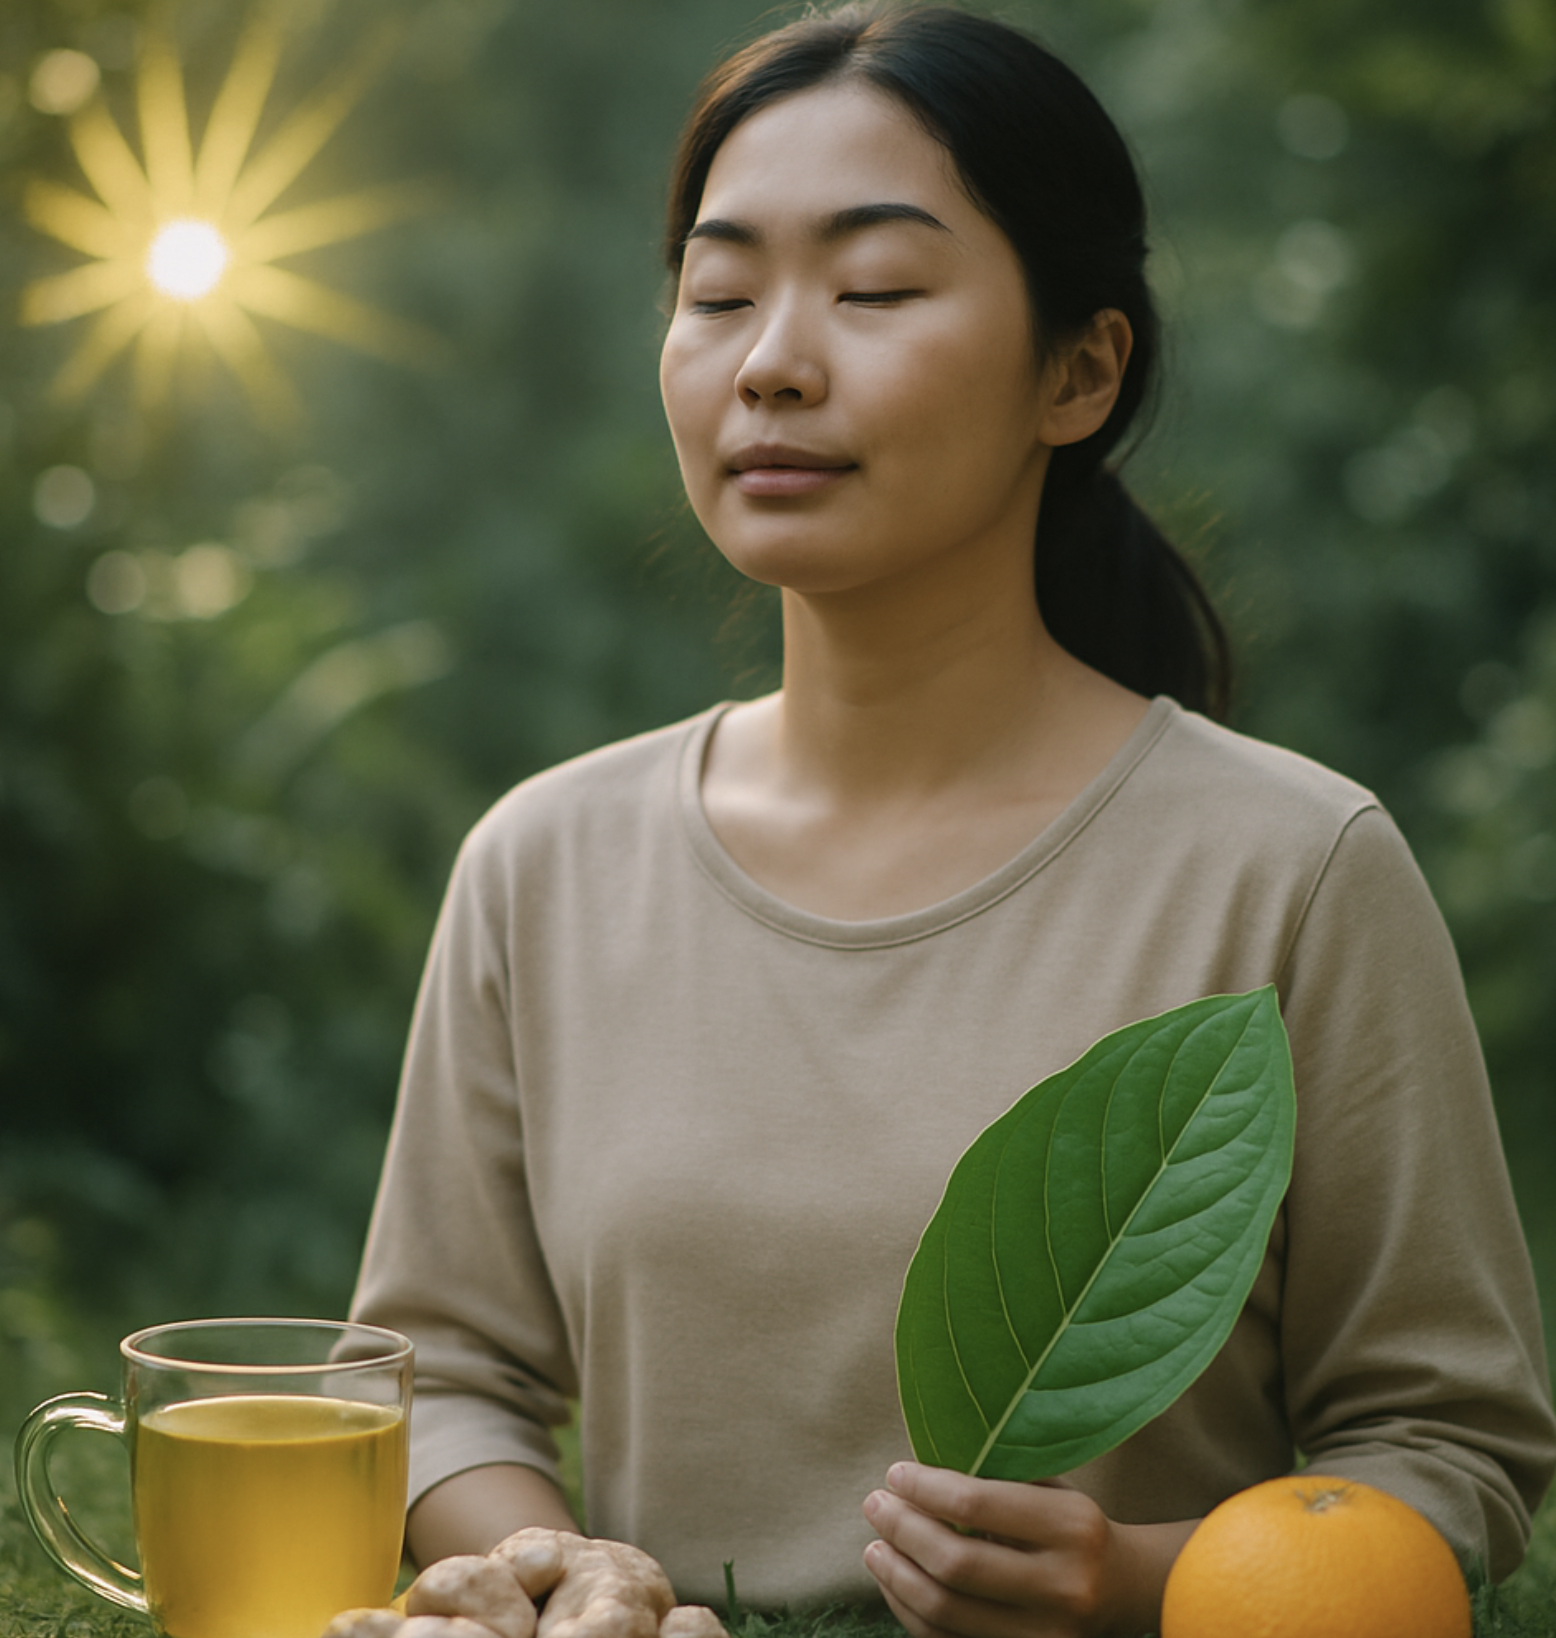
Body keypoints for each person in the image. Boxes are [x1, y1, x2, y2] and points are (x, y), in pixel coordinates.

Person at [350, 6, 1556, 1635]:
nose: (772, 355)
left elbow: (1450, 1444)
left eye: (875, 288)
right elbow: (444, 1375)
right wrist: (570, 1584)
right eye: (718, 294)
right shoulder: (544, 863)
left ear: (1081, 368)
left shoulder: (1293, 867)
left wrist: (1132, 1577)